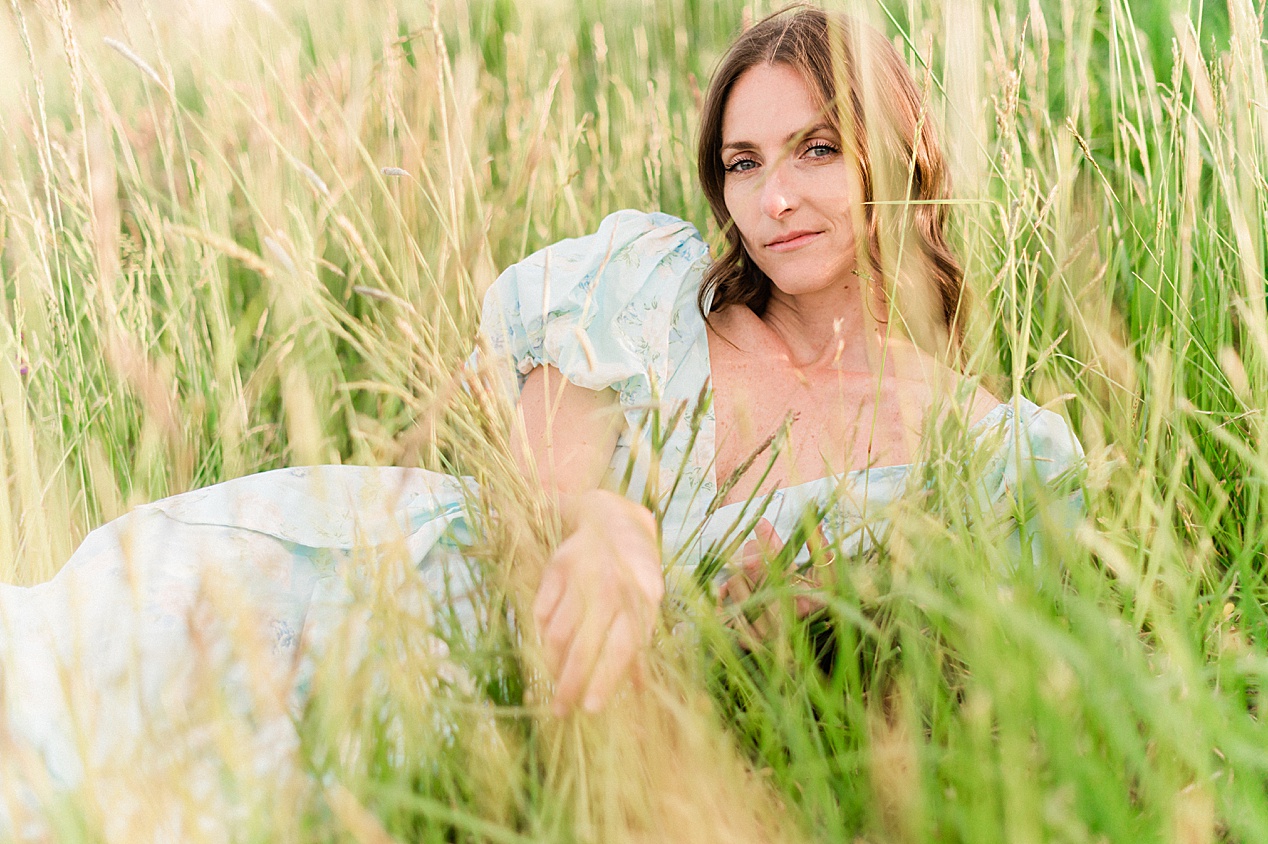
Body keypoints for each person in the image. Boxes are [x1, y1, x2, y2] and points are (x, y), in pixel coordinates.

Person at [0, 5, 1083, 820]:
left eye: (816, 148)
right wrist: (601, 521)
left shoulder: (982, 448)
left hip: (512, 718)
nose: (774, 198)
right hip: (367, 575)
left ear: (897, 149)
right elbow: (546, 468)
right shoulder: (647, 285)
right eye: (740, 164)